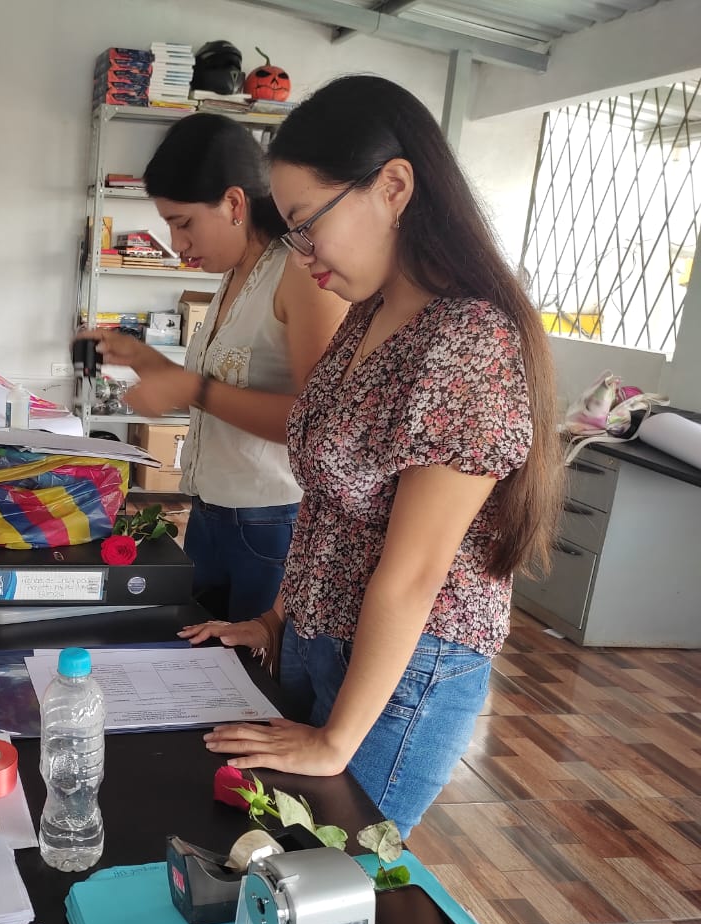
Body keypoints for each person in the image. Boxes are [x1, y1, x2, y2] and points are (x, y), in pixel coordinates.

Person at [187, 75, 562, 838]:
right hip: (318, 639)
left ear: (393, 188)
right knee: (268, 850)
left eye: (306, 225)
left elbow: (415, 573)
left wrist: (336, 741)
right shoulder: (370, 315)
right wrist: (276, 619)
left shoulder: (468, 341)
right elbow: (331, 501)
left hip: (403, 676)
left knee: (332, 865)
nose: (301, 255)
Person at [83, 112, 346, 621]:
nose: (178, 243)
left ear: (234, 204)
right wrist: (143, 358)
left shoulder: (296, 276)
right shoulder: (235, 275)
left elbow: (317, 422)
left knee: (252, 662)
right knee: (201, 650)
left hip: (271, 521)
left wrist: (190, 389)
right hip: (210, 512)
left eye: (183, 223)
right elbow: (218, 383)